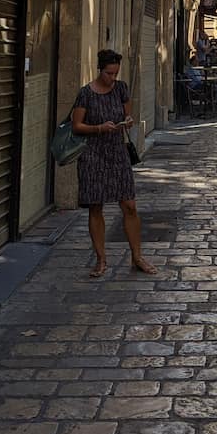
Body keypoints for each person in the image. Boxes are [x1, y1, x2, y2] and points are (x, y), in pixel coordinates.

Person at [71, 49, 157, 278]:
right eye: (109, 73)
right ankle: (101, 260)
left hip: (117, 153)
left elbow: (128, 115)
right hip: (93, 155)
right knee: (95, 206)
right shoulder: (85, 94)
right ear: (100, 69)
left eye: (115, 73)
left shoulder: (121, 89)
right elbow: (76, 126)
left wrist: (127, 121)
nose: (112, 77)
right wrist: (99, 128)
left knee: (129, 205)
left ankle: (137, 257)